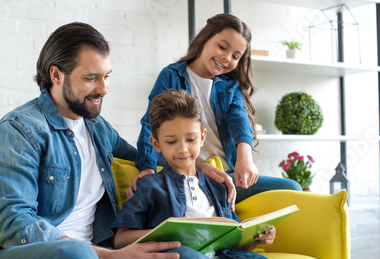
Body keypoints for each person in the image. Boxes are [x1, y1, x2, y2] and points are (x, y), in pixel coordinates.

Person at [0, 22, 216, 259]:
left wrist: (201, 165)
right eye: (91, 78)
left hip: (87, 255)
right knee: (78, 256)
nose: (103, 88)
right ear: (56, 75)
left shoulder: (97, 128)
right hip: (6, 258)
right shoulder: (19, 131)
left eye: (106, 76)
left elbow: (152, 152)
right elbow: (14, 226)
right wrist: (106, 258)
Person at [114, 89, 308, 259]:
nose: (183, 149)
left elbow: (232, 238)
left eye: (191, 139)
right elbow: (120, 239)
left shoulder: (217, 185)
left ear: (203, 137)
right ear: (156, 144)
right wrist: (160, 234)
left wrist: (255, 237)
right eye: (172, 141)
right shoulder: (150, 186)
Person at [129, 13, 302, 204]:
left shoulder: (231, 86)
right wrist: (148, 168)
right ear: (205, 38)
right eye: (222, 46)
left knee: (293, 189)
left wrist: (245, 158)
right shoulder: (171, 76)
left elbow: (240, 120)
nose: (226, 58)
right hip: (190, 173)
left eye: (236, 56)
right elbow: (150, 126)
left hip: (228, 175)